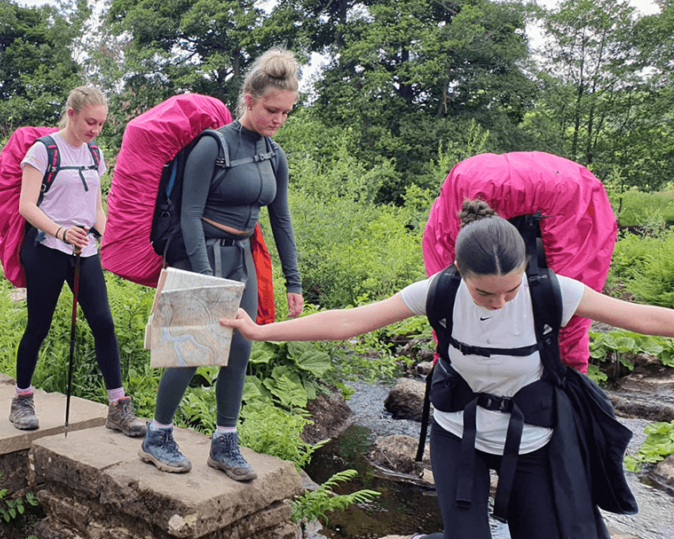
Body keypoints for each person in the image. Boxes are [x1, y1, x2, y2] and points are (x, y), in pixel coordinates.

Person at [222, 199, 674, 539]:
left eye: (510, 291)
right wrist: (263, 331)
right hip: (458, 432)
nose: (499, 303)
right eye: (485, 294)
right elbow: (350, 321)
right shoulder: (438, 291)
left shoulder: (556, 292)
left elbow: (648, 319)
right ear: (459, 270)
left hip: (535, 439)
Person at [138, 48, 305, 481]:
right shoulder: (212, 146)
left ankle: (225, 443)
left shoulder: (274, 155)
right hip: (201, 253)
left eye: (286, 112)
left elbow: (281, 219)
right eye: (272, 109)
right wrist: (205, 278)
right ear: (248, 98)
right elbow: (190, 214)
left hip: (242, 258)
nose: (278, 119)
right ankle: (157, 435)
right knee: (191, 351)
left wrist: (294, 280)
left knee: (240, 348)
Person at [9, 86, 146, 438]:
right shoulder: (43, 151)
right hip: (45, 249)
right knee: (38, 326)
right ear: (71, 113)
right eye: (90, 122)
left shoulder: (95, 154)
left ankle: (117, 406)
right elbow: (27, 205)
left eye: (100, 124)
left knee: (103, 323)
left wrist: (115, 239)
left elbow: (95, 208)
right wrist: (60, 231)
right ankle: (22, 399)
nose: (95, 130)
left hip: (85, 250)